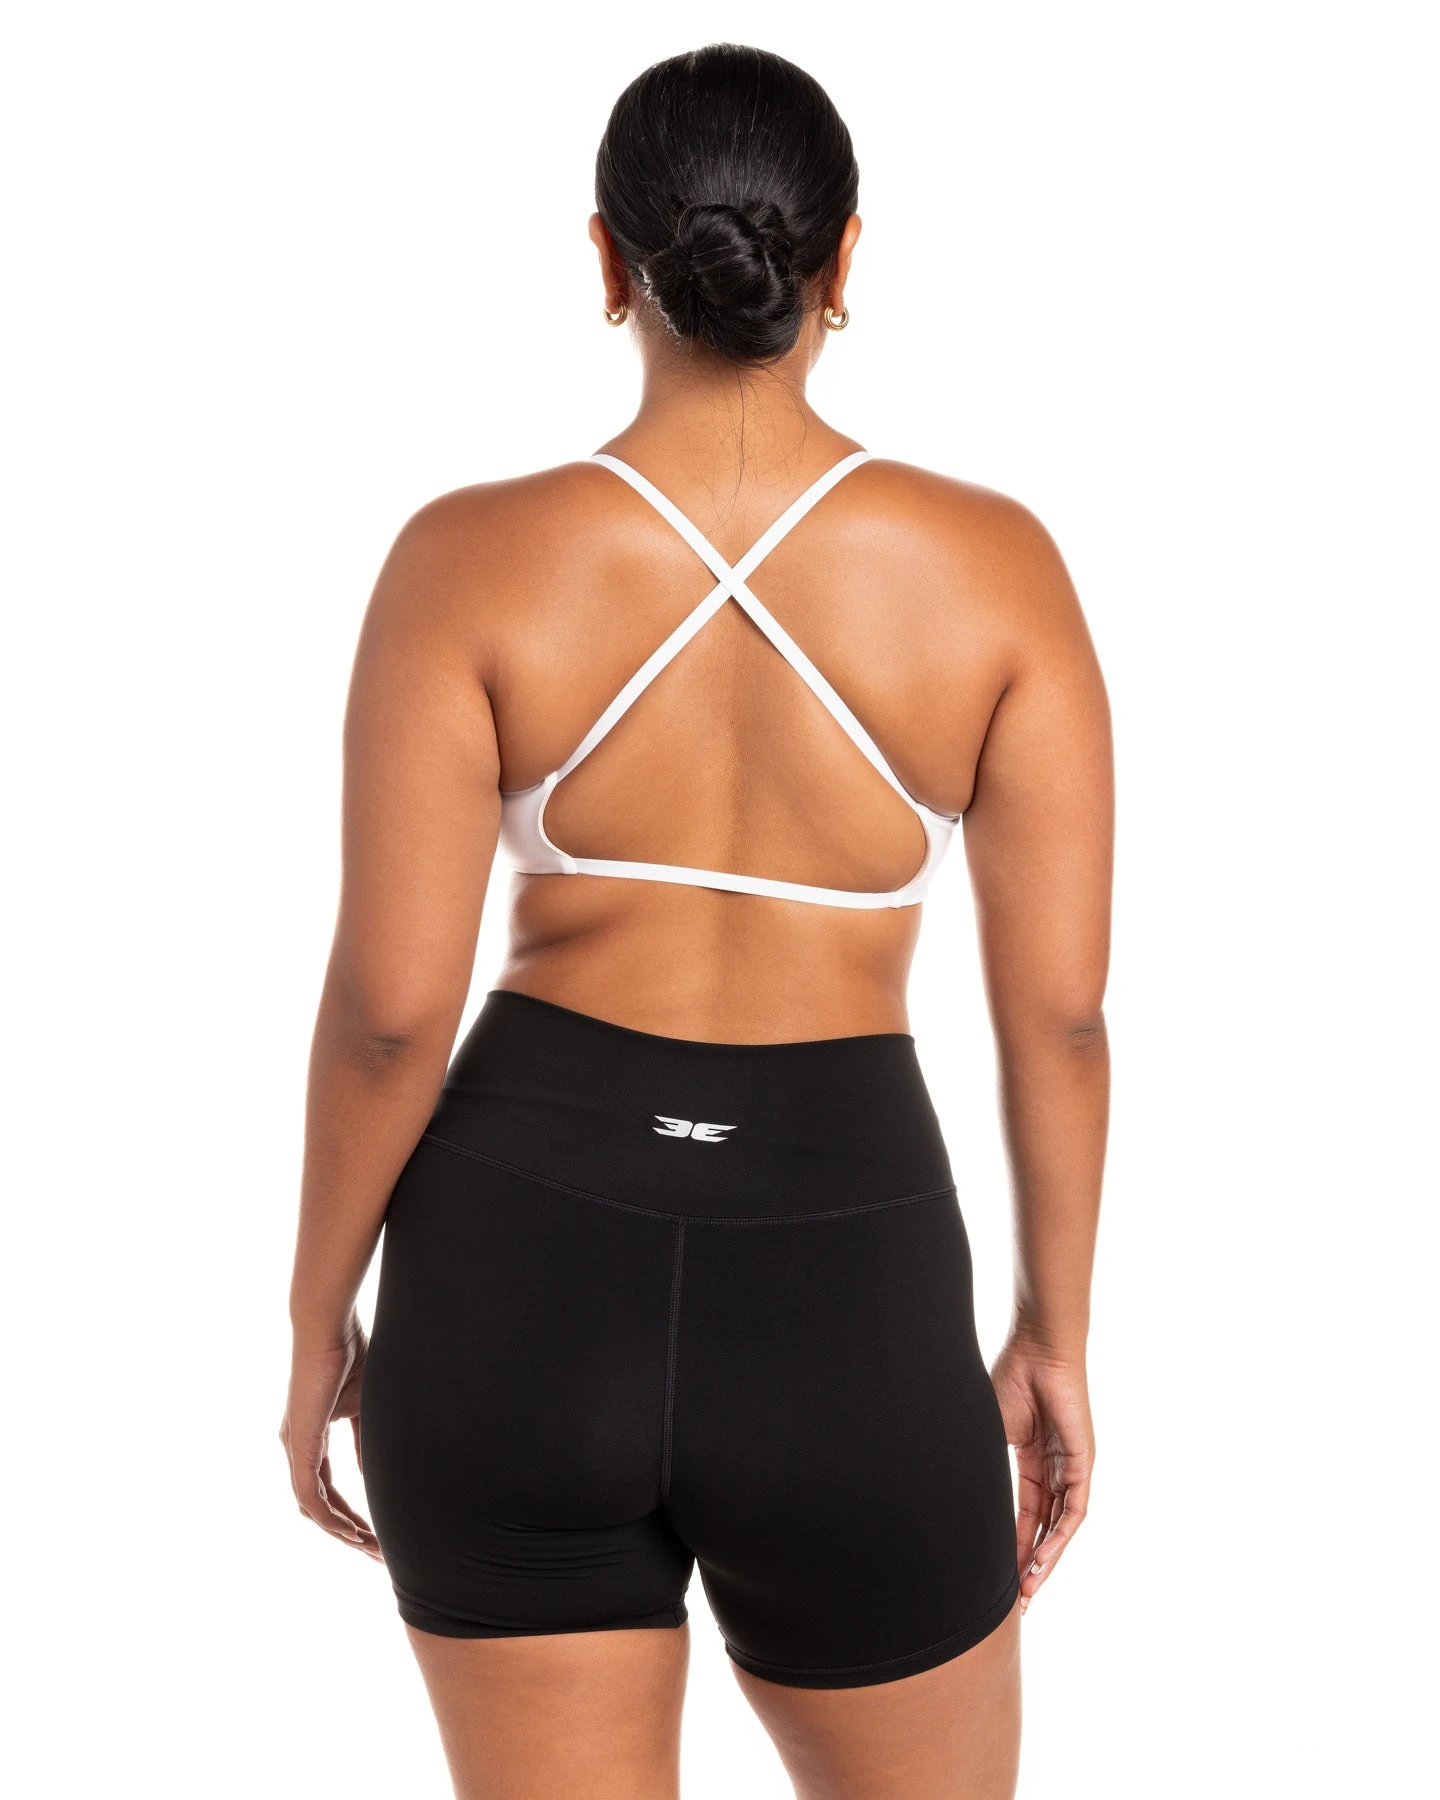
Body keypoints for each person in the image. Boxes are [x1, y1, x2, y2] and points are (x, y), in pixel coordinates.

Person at [281, 41, 1111, 1800]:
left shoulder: (466, 558)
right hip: (849, 1279)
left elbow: (388, 1013)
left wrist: (315, 1320)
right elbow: (1059, 1019)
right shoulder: (997, 571)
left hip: (511, 1273)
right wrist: (1054, 1334)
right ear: (846, 258)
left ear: (607, 259)